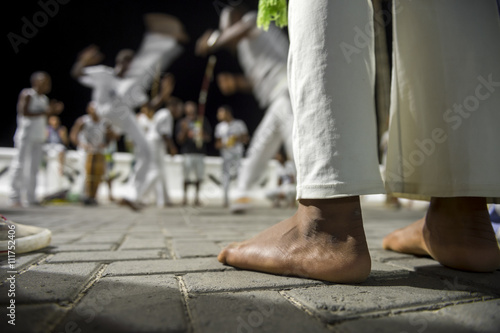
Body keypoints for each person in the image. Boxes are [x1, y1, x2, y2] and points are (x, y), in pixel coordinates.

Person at [217, 0, 500, 283]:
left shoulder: (250, 22)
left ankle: (329, 226)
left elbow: (232, 34)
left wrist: (212, 41)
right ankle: (461, 217)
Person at [71, 13, 187, 210]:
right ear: (120, 62)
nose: (129, 68)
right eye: (126, 64)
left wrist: (165, 95)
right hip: (103, 115)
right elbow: (77, 73)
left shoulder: (131, 86)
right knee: (136, 80)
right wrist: (83, 61)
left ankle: (133, 194)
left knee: (147, 151)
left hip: (123, 117)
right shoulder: (103, 74)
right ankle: (161, 39)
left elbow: (149, 106)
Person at [195, 3, 293, 213]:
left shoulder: (253, 20)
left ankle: (309, 188)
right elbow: (256, 81)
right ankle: (242, 191)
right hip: (277, 96)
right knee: (262, 143)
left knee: (292, 140)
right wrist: (238, 83)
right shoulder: (245, 50)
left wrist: (213, 42)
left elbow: (239, 31)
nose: (227, 35)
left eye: (228, 28)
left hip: (287, 88)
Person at [9, 71, 64, 207]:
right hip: (25, 136)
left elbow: (44, 118)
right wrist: (46, 111)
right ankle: (15, 196)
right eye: (43, 81)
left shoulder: (44, 99)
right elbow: (24, 112)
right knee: (20, 164)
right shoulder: (28, 94)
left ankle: (31, 198)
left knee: (34, 168)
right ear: (35, 82)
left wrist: (52, 111)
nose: (46, 84)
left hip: (39, 137)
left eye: (48, 82)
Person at [136, 75, 181, 207]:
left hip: (154, 143)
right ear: (174, 107)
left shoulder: (161, 113)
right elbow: (165, 134)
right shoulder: (166, 114)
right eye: (179, 108)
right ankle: (138, 196)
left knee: (161, 171)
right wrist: (172, 148)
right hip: (155, 143)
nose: (180, 111)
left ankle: (163, 200)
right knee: (156, 171)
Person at [70, 102, 114, 206]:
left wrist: (105, 144)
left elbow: (111, 136)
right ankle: (84, 196)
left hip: (98, 152)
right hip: (85, 151)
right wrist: (82, 144)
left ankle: (93, 196)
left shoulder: (104, 122)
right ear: (88, 109)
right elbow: (73, 135)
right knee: (85, 173)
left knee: (99, 174)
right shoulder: (83, 121)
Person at [176, 101, 212, 206]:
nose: (190, 109)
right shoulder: (182, 122)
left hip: (199, 152)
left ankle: (197, 198)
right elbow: (179, 140)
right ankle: (184, 197)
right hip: (187, 152)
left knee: (199, 177)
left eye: (192, 107)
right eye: (188, 107)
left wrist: (202, 133)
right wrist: (184, 130)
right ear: (185, 109)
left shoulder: (201, 120)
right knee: (186, 176)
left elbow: (209, 137)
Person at [214, 104, 249, 207]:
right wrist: (225, 144)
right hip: (226, 156)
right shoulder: (219, 127)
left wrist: (236, 139)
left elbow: (246, 139)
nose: (219, 115)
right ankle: (225, 200)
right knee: (225, 177)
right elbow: (217, 144)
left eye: (221, 113)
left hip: (237, 155)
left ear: (227, 113)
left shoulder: (239, 124)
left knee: (240, 176)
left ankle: (241, 199)